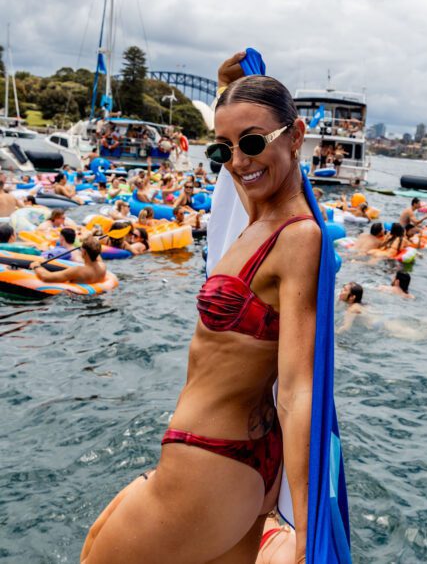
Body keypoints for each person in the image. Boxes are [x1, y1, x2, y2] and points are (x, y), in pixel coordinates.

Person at [81, 60, 323, 564]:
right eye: (222, 148)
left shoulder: (297, 236)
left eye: (253, 142)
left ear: (296, 134)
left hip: (211, 456)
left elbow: (298, 389)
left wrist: (306, 522)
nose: (237, 161)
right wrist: (226, 89)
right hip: (247, 467)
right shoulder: (258, 211)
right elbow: (241, 175)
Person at [30, 237, 106, 284]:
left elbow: (46, 277)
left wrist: (36, 266)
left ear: (84, 252)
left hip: (77, 300)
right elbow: (95, 252)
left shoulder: (78, 271)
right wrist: (92, 242)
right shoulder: (103, 267)